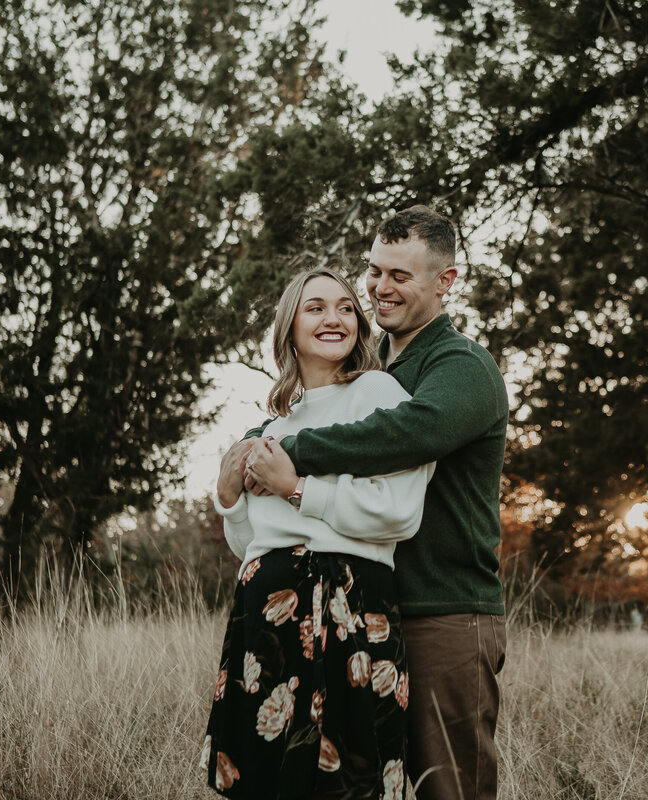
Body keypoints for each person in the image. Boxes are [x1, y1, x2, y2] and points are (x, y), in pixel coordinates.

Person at [250, 206, 509, 800]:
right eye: (374, 271)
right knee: (369, 785)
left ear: (445, 281)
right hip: (368, 616)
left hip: (445, 613)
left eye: (400, 275)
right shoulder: (374, 368)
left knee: (450, 789)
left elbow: (401, 435)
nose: (379, 288)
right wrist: (250, 447)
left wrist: (286, 454)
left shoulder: (459, 366)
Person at [200, 268, 434, 800]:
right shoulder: (275, 425)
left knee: (351, 777)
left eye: (346, 307)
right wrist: (230, 498)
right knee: (266, 778)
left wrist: (296, 488)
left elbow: (399, 513)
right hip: (266, 612)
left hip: (350, 609)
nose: (334, 318)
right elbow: (251, 548)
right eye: (316, 308)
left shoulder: (378, 392)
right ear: (289, 327)